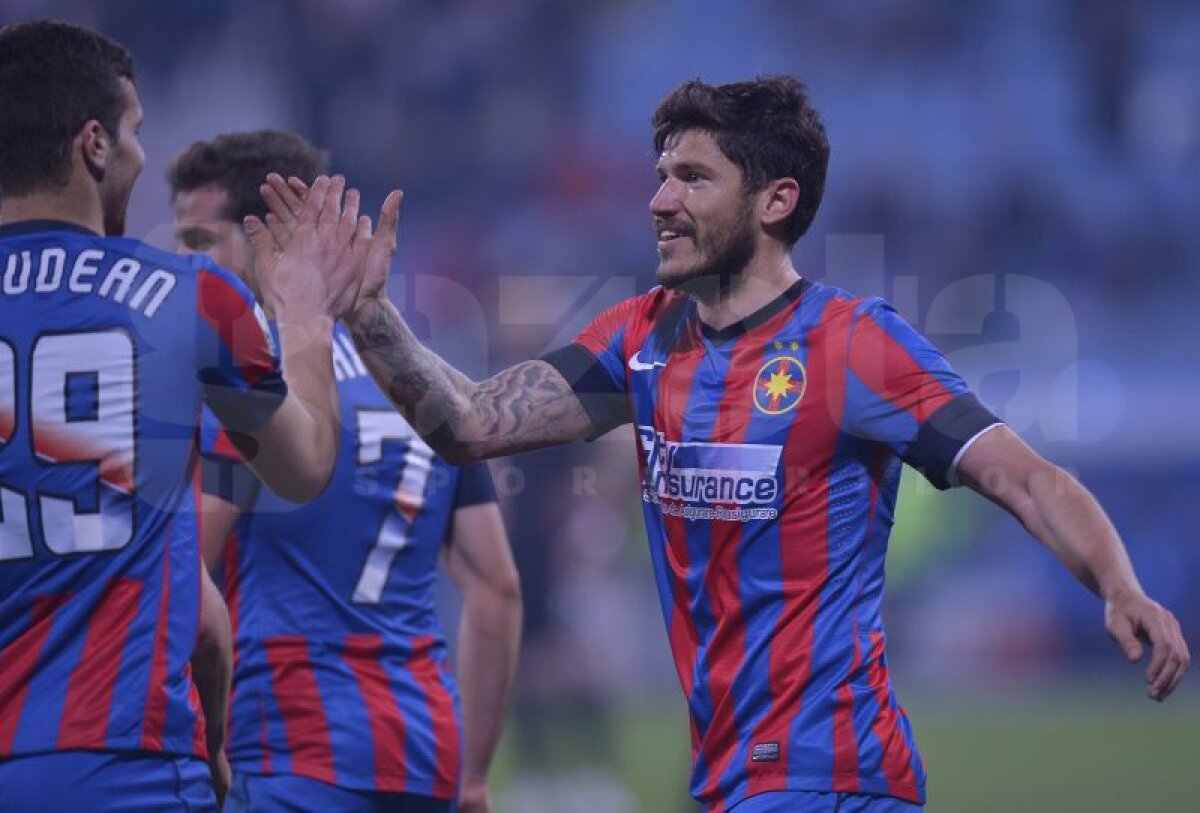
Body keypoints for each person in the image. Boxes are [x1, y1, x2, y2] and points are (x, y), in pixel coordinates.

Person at [265, 75, 1191, 813]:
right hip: (731, 776)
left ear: (776, 200)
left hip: (832, 772)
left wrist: (1119, 584)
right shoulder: (641, 336)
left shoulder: (854, 347)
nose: (659, 200)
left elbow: (1026, 478)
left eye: (692, 178)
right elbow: (468, 423)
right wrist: (365, 310)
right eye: (661, 175)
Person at [0, 21, 366, 812]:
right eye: (135, 131)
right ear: (95, 144)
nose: (141, 154)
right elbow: (303, 465)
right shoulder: (190, 295)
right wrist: (304, 312)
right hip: (124, 766)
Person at [169, 130, 523, 813]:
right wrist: (475, 778)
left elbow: (186, 576)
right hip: (425, 754)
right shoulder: (419, 385)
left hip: (291, 749)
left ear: (271, 238)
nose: (183, 265)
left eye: (199, 241)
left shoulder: (247, 388)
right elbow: (496, 585)